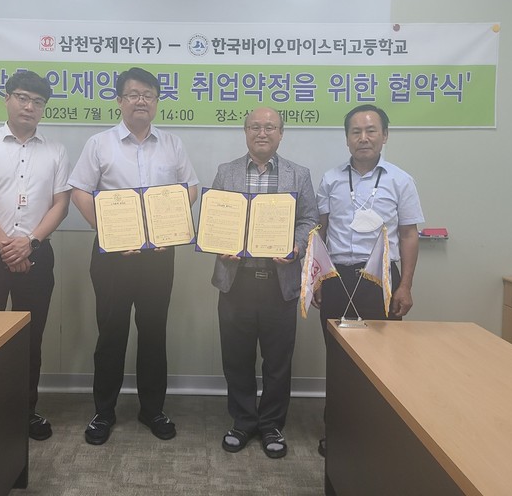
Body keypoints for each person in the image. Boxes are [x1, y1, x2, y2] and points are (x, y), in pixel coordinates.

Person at [68, 67, 199, 445]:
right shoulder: (99, 144)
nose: (142, 101)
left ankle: (152, 409)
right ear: (120, 101)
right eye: (134, 94)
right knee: (111, 333)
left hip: (158, 255)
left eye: (149, 95)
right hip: (112, 256)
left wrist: (169, 225)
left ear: (156, 102)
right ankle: (103, 412)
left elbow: (190, 187)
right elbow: (79, 191)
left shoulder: (172, 144)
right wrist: (109, 231)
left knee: (154, 332)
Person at [0, 70, 72, 441]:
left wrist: (30, 242)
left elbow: (61, 204)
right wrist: (8, 245)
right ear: (7, 99)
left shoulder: (56, 151)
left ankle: (26, 412)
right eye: (22, 97)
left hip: (37, 254)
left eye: (38, 101)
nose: (29, 106)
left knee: (29, 339)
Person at [312, 104, 424, 456]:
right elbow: (321, 232)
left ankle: (376, 433)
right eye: (356, 132)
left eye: (371, 130)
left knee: (382, 360)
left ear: (384, 136)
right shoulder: (331, 179)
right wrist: (317, 278)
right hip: (337, 277)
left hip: (380, 279)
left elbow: (409, 234)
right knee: (338, 360)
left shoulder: (400, 180)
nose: (363, 137)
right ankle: (338, 432)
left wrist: (405, 285)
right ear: (347, 139)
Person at [211, 107, 317, 459]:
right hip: (236, 281)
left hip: (278, 282)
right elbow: (215, 218)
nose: (262, 133)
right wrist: (220, 244)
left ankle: (271, 424)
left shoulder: (299, 174)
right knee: (236, 357)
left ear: (281, 133)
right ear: (245, 132)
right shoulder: (226, 172)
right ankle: (243, 421)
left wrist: (297, 246)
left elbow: (309, 220)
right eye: (255, 126)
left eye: (270, 127)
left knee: (278, 360)